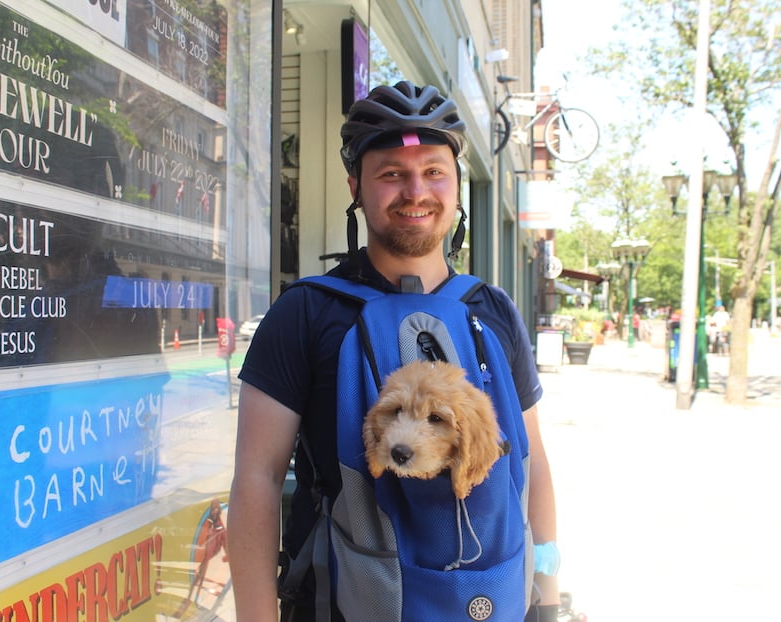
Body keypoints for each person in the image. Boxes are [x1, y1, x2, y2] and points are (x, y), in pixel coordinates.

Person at [227, 81, 560, 621]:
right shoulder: (305, 313)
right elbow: (255, 480)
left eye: (434, 171)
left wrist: (547, 594)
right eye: (391, 174)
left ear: (454, 186)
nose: (416, 191)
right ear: (356, 185)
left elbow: (532, 462)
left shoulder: (494, 310)